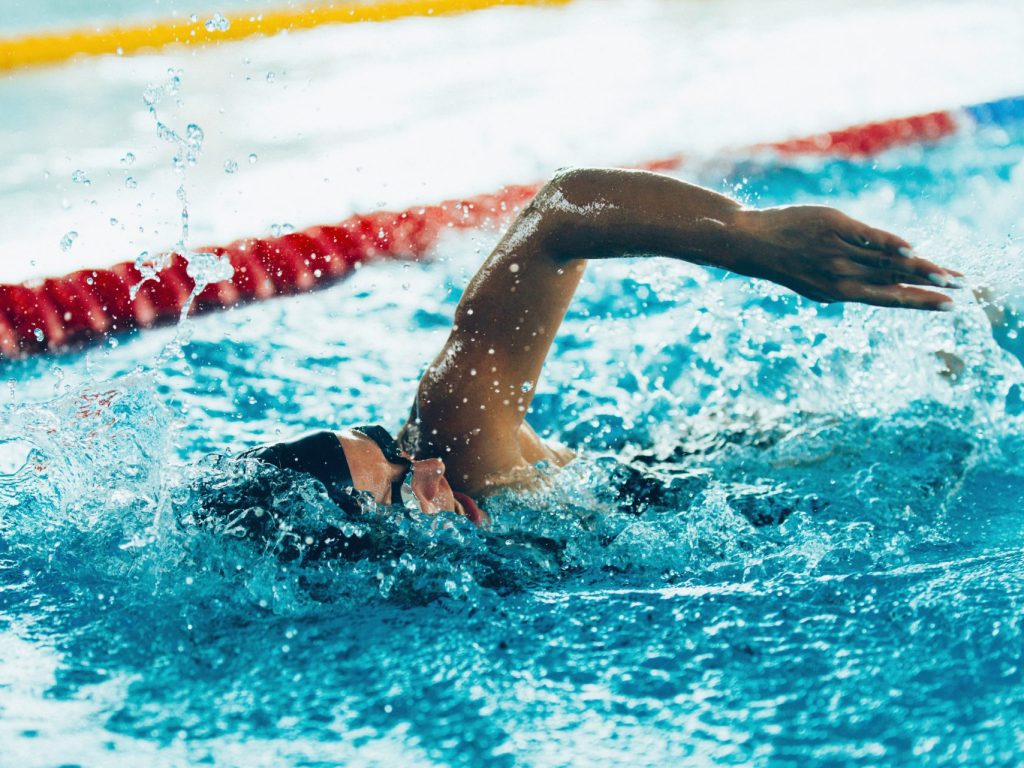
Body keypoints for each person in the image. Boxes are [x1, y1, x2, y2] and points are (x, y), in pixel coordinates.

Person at [197, 167, 963, 547]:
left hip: (714, 478)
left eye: (393, 449)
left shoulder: (461, 445)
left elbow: (558, 213)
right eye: (402, 492)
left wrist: (747, 235)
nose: (428, 469)